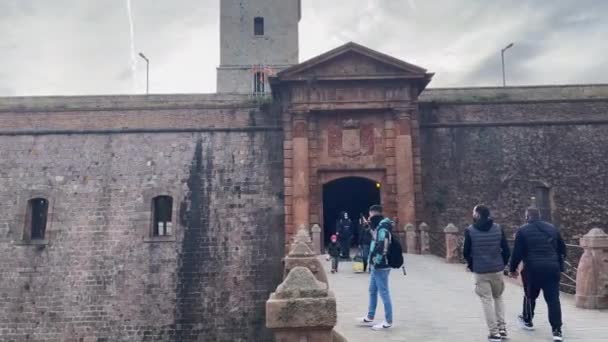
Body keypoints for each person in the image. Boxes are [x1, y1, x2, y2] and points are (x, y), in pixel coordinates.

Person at [509, 207, 566, 341]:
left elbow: (516, 252)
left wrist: (512, 269)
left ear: (527, 217)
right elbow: (562, 249)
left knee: (530, 296)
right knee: (553, 300)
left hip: (532, 270)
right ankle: (557, 331)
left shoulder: (522, 230)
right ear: (539, 216)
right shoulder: (552, 228)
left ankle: (528, 320)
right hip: (552, 269)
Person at [463, 205, 511, 342]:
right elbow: (506, 250)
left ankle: (494, 333)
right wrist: (502, 264)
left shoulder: (470, 230)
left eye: (473, 212)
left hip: (481, 271)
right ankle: (502, 328)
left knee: (486, 301)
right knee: (498, 297)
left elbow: (466, 252)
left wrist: (472, 266)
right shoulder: (498, 228)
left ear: (477, 215)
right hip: (497, 269)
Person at [358, 205, 393, 330]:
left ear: (373, 213)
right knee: (372, 290)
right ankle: (370, 316)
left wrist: (376, 261)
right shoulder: (378, 226)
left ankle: (388, 321)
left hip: (381, 265)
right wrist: (368, 227)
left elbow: (382, 245)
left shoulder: (383, 227)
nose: (369, 217)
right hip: (375, 265)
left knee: (384, 292)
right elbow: (375, 238)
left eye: (370, 214)